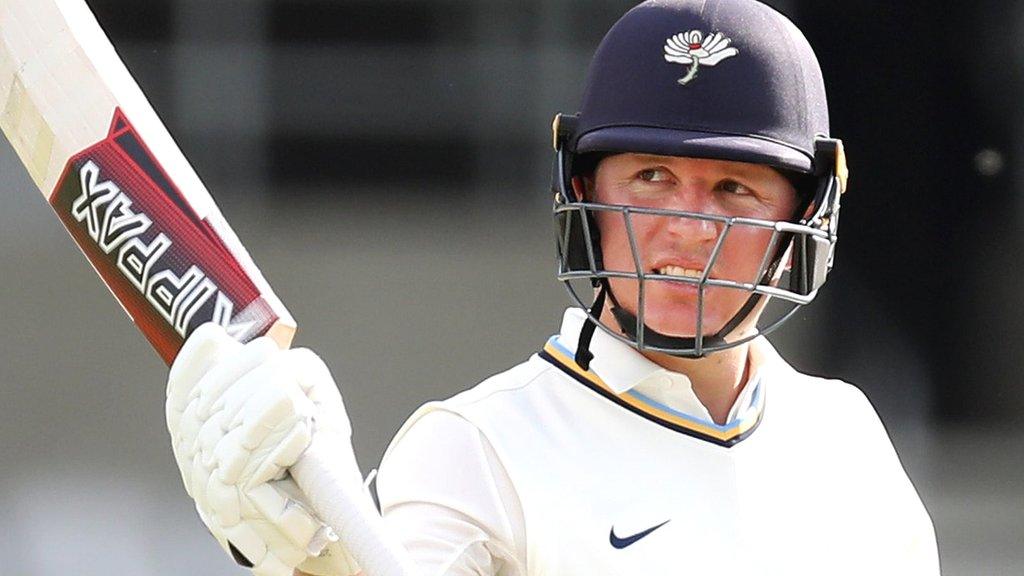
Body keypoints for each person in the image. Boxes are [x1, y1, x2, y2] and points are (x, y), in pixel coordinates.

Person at [165, 1, 940, 575]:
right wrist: (307, 556)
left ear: (807, 215)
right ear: (582, 191)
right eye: (651, 177)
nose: (688, 227)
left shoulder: (845, 439)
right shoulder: (477, 448)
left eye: (735, 187)